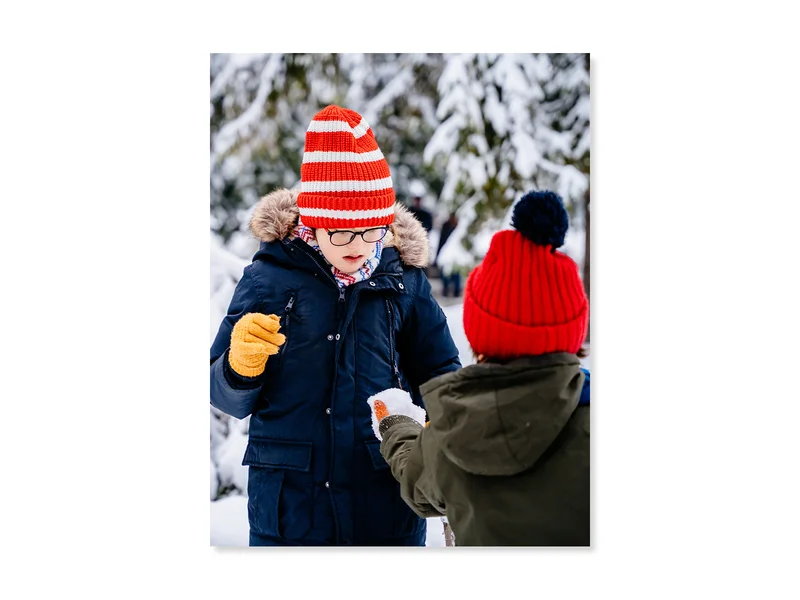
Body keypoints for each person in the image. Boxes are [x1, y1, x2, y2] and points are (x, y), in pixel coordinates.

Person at [210, 105, 461, 546]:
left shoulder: (404, 280)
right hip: (290, 514)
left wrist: (454, 456)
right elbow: (223, 396)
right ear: (314, 221)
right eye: (341, 233)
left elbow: (441, 377)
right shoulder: (268, 278)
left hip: (382, 507)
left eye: (369, 232)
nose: (358, 247)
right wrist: (239, 367)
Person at [366, 190, 590, 546]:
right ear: (573, 331)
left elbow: (416, 481)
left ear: (480, 334)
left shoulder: (457, 430)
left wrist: (395, 425)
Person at [435, 211, 461, 297]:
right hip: (446, 253)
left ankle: (456, 291)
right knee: (445, 273)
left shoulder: (459, 226)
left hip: (456, 254)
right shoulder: (446, 225)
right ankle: (446, 289)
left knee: (456, 273)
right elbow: (441, 241)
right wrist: (438, 254)